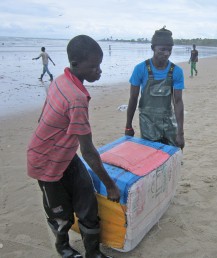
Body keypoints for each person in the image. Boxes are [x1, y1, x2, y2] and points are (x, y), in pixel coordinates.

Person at [27, 35, 120, 258]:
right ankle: (64, 248)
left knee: (87, 201)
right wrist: (111, 186)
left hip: (67, 155)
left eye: (100, 65)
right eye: (94, 66)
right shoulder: (76, 97)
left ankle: (93, 252)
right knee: (61, 213)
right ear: (76, 64)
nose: (99, 71)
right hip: (46, 161)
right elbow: (88, 152)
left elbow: (44, 114)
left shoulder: (61, 79)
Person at [124, 26, 185, 149]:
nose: (167, 53)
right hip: (148, 123)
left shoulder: (176, 71)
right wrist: (128, 125)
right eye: (162, 49)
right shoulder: (140, 69)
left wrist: (180, 133)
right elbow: (133, 98)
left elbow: (178, 102)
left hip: (169, 122)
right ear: (153, 48)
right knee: (151, 155)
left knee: (174, 154)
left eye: (169, 50)